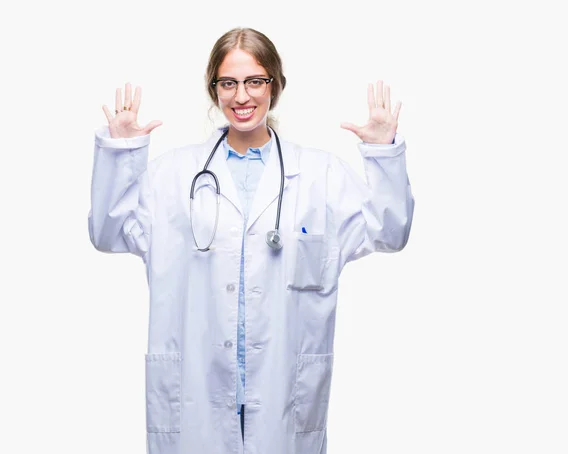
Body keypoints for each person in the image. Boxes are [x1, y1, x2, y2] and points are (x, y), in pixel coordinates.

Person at [88, 27, 414, 454]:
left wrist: (383, 153)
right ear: (215, 90)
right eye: (229, 83)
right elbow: (108, 234)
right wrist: (121, 152)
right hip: (196, 397)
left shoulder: (321, 176)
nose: (242, 96)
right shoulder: (172, 176)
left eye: (255, 81)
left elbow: (390, 234)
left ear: (275, 86)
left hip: (283, 398)